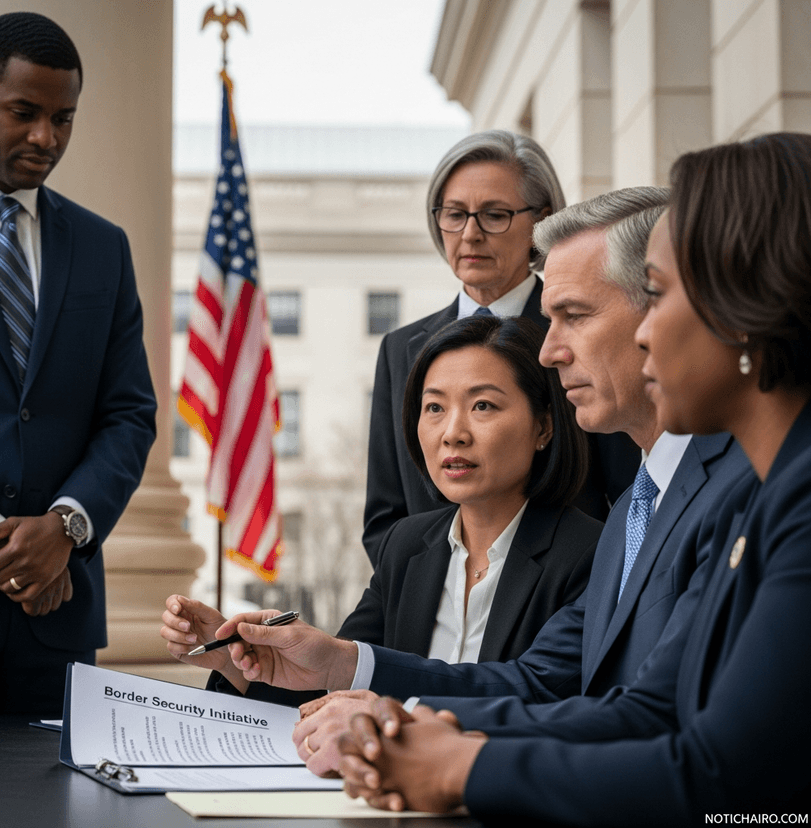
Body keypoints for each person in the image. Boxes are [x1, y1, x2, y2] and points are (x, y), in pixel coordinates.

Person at [338, 133, 811, 822]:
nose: (551, 351)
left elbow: (720, 773)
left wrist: (463, 765)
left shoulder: (772, 492)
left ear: (746, 305)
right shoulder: (642, 509)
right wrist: (409, 726)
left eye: (660, 293)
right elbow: (636, 706)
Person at [197, 187, 752, 774]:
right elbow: (544, 684)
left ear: (666, 312)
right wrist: (342, 669)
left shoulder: (743, 489)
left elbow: (661, 723)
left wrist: (435, 755)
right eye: (433, 408)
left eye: (575, 315)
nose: (550, 351)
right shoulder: (633, 514)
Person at [162, 315, 602, 771]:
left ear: (544, 427)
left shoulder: (591, 552)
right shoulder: (408, 545)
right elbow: (331, 689)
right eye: (434, 408)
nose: (453, 432)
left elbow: (535, 691)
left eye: (483, 406)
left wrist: (343, 661)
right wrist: (240, 663)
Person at [0, 12, 156, 716]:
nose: (45, 138)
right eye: (23, 113)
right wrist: (2, 545)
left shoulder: (102, 247)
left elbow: (129, 413)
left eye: (63, 118)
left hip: (55, 620)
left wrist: (64, 528)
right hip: (31, 579)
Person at [364, 129, 640, 563]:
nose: (470, 234)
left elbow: (627, 493)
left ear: (541, 220)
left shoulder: (580, 330)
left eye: (494, 215)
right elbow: (385, 516)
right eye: (454, 214)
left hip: (564, 602)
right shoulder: (400, 349)